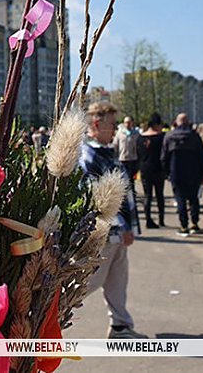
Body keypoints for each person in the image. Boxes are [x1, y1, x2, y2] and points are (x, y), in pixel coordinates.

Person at [78, 101, 144, 339]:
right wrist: (122, 227)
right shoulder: (89, 157)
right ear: (96, 124)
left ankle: (120, 325)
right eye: (112, 124)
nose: (115, 129)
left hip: (117, 234)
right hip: (106, 234)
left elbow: (123, 194)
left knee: (117, 280)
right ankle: (48, 315)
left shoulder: (104, 152)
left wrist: (129, 227)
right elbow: (98, 201)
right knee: (89, 283)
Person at [162, 114, 203, 236]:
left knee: (180, 198)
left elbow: (164, 156)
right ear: (188, 122)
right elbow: (202, 155)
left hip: (176, 171)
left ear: (176, 122)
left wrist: (166, 172)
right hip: (194, 171)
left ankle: (184, 225)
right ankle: (195, 223)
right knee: (194, 198)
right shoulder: (194, 136)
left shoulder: (170, 136)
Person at [139, 113, 167, 228]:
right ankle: (161, 219)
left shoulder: (140, 138)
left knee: (147, 195)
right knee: (159, 194)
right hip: (158, 168)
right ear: (157, 125)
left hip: (145, 168)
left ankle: (148, 219)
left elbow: (138, 154)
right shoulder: (161, 137)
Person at [114, 116, 141, 231]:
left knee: (131, 182)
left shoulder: (136, 133)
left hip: (133, 160)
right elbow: (115, 146)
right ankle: (124, 201)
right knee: (124, 182)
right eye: (126, 122)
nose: (128, 124)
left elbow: (139, 147)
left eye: (129, 122)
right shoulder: (120, 133)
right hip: (122, 160)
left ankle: (132, 200)